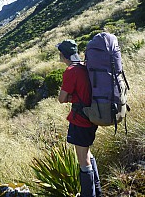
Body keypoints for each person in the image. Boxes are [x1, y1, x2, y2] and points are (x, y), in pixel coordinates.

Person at [56, 39, 102, 197]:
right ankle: (98, 192)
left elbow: (61, 98)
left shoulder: (71, 71)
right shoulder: (84, 66)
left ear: (63, 55)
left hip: (80, 119)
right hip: (93, 115)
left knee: (83, 161)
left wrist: (69, 98)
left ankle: (89, 195)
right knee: (88, 153)